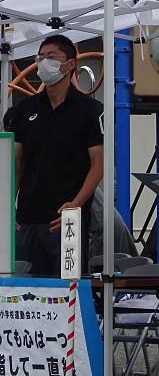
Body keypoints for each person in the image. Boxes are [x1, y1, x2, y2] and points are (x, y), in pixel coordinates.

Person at [10, 34, 103, 276]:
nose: (43, 63)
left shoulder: (90, 111)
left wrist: (76, 205)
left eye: (51, 57)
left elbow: (98, 165)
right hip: (27, 219)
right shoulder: (24, 110)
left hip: (66, 218)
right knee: (28, 294)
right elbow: (16, 164)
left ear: (70, 63)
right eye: (39, 57)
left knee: (67, 292)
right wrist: (8, 206)